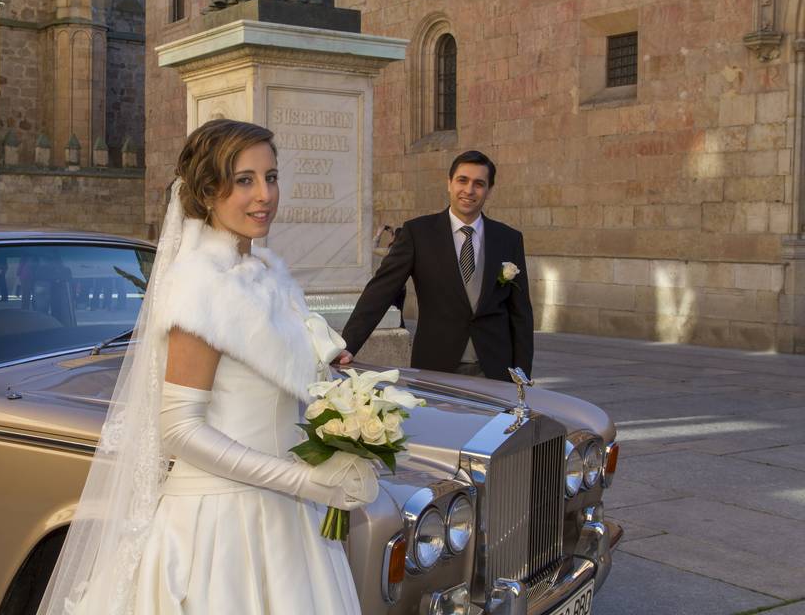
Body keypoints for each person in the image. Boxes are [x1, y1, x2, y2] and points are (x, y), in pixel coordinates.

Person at [37, 119, 376, 615]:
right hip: (223, 524)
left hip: (287, 519)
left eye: (272, 177)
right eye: (245, 180)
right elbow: (178, 430)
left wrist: (336, 392)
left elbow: (270, 386)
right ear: (206, 190)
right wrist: (303, 481)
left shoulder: (267, 276)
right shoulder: (199, 285)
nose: (265, 195)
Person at [340, 150, 534, 382]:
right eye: (462, 180)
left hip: (495, 369)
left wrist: (522, 375)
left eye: (479, 184)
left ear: (489, 190)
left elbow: (521, 314)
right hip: (436, 366)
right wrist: (348, 344)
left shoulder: (509, 238)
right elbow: (381, 291)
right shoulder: (418, 233)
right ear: (449, 184)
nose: (469, 190)